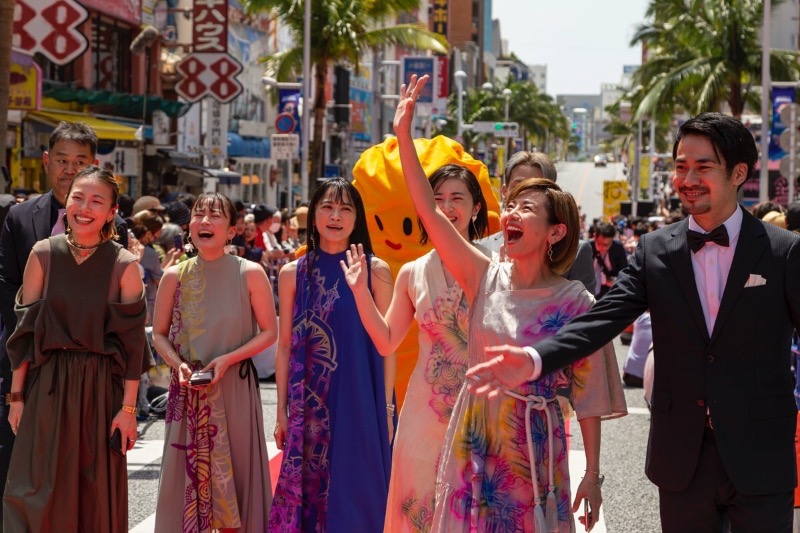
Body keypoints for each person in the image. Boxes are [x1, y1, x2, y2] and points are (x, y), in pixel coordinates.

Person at [470, 112, 800, 532]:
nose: (687, 178)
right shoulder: (655, 250)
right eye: (681, 167)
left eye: (703, 166)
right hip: (682, 455)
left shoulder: (783, 252)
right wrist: (536, 358)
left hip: (761, 453)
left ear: (739, 173)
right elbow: (602, 319)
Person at [395, 75, 625, 532]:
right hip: (475, 439)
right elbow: (429, 211)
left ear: (555, 231)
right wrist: (404, 136)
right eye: (511, 206)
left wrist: (593, 478)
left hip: (536, 447)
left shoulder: (576, 302)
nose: (511, 214)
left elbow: (590, 398)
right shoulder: (482, 274)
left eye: (526, 209)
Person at [340, 164, 490, 531]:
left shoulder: (495, 268)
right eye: (436, 199)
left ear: (476, 208)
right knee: (417, 511)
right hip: (423, 418)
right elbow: (386, 339)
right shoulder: (411, 272)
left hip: (481, 414)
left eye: (457, 198)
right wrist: (360, 293)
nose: (446, 207)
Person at [3, 165, 151, 531]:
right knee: (33, 488)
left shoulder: (124, 265)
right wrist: (16, 396)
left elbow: (132, 346)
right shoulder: (43, 254)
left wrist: (128, 410)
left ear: (112, 212)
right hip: (47, 384)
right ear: (66, 202)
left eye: (96, 200)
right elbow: (25, 331)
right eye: (78, 197)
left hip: (101, 390)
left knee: (94, 491)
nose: (85, 207)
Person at [269, 178, 395, 531]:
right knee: (310, 495)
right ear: (313, 215)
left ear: (358, 218)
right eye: (327, 206)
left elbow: (389, 345)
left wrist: (386, 408)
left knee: (363, 493)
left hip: (363, 398)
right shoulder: (293, 273)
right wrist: (281, 410)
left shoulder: (377, 270)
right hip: (310, 400)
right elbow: (284, 346)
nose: (335, 216)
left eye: (345, 208)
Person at [152, 192, 278, 532]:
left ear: (232, 230)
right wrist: (176, 363)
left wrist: (227, 359)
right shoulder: (173, 275)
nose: (205, 221)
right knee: (184, 488)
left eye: (215, 215)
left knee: (236, 479)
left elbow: (270, 332)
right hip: (188, 392)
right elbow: (159, 334)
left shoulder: (250, 272)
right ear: (189, 225)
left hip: (234, 386)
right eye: (198, 214)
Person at [477, 151, 596, 293]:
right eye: (517, 187)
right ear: (504, 192)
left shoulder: (575, 253)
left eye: (536, 188)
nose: (525, 194)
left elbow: (587, 314)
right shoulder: (482, 249)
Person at [589, 221, 628, 298]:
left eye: (607, 245)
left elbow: (624, 270)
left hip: (608, 290)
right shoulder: (587, 247)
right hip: (588, 288)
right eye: (600, 244)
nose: (603, 248)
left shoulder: (617, 247)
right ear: (595, 237)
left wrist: (616, 280)